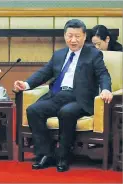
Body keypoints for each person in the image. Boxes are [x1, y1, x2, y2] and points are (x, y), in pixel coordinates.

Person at [14, 19, 113, 172]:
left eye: (77, 36)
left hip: (79, 98)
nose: (73, 40)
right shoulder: (59, 54)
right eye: (70, 36)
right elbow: (44, 73)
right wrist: (25, 84)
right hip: (58, 95)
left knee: (66, 112)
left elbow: (103, 75)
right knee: (34, 110)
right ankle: (46, 154)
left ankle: (63, 156)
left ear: (84, 36)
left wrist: (106, 89)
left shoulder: (93, 54)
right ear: (65, 36)